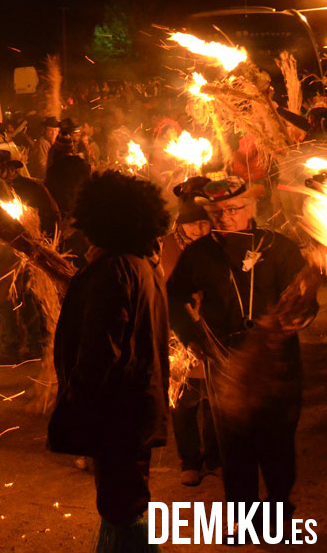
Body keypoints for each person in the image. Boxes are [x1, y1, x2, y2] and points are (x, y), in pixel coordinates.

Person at [167, 176, 313, 516]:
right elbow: (173, 296)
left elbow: (305, 298)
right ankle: (242, 515)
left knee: (277, 439)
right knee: (233, 442)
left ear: (251, 209)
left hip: (277, 360)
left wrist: (297, 318)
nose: (223, 218)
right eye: (216, 212)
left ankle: (278, 508)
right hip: (224, 357)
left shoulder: (279, 247)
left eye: (232, 209)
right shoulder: (199, 253)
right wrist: (190, 335)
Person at [48, 171, 171, 550]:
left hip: (117, 413)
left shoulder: (114, 271)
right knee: (124, 504)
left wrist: (73, 405)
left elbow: (102, 349)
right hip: (133, 410)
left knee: (123, 508)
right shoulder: (138, 265)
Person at [155, 178, 217, 487]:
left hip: (212, 330)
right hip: (176, 332)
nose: (200, 230)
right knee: (184, 400)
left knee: (214, 399)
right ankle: (190, 460)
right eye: (194, 224)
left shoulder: (217, 244)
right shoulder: (164, 246)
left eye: (205, 223)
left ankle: (215, 457)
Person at [27, 116, 60, 180]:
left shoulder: (55, 142)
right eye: (50, 130)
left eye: (55, 130)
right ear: (45, 130)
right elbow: (42, 164)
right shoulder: (43, 143)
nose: (53, 133)